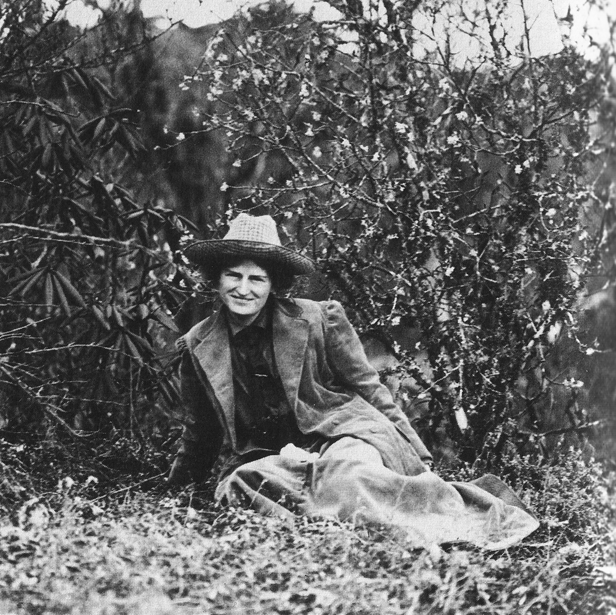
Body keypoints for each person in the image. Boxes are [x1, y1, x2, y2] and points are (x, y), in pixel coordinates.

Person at [168, 213, 539, 550]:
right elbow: (200, 432)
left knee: (345, 479)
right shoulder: (198, 346)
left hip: (344, 435)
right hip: (278, 459)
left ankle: (458, 522)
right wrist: (174, 492)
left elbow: (369, 388)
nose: (244, 289)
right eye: (234, 275)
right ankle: (344, 528)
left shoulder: (318, 319)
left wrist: (417, 457)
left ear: (273, 284)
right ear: (216, 279)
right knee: (241, 482)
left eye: (257, 278)